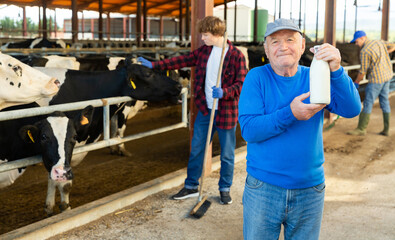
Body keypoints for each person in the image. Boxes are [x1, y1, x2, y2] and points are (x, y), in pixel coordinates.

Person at [238, 18, 361, 239]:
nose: (283, 46)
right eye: (275, 41)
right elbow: (249, 130)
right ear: (266, 48)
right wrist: (290, 114)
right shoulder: (256, 78)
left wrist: (336, 70)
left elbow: (352, 109)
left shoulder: (315, 75)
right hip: (264, 187)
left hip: (309, 189)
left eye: (290, 39)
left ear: (303, 45)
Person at [138, 16, 247, 204]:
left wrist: (225, 92)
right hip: (206, 110)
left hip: (226, 112)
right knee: (197, 149)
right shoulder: (205, 52)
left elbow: (241, 84)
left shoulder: (236, 55)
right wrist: (155, 65)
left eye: (205, 35)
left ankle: (224, 188)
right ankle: (190, 186)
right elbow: (183, 60)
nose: (202, 38)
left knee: (227, 154)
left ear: (216, 34)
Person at [347, 30, 395, 136]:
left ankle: (361, 129)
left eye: (356, 41)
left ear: (362, 38)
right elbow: (393, 45)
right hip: (387, 76)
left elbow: (363, 71)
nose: (356, 44)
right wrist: (387, 53)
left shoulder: (365, 51)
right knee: (384, 101)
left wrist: (356, 82)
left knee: (368, 102)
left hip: (377, 79)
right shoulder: (379, 42)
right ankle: (386, 130)